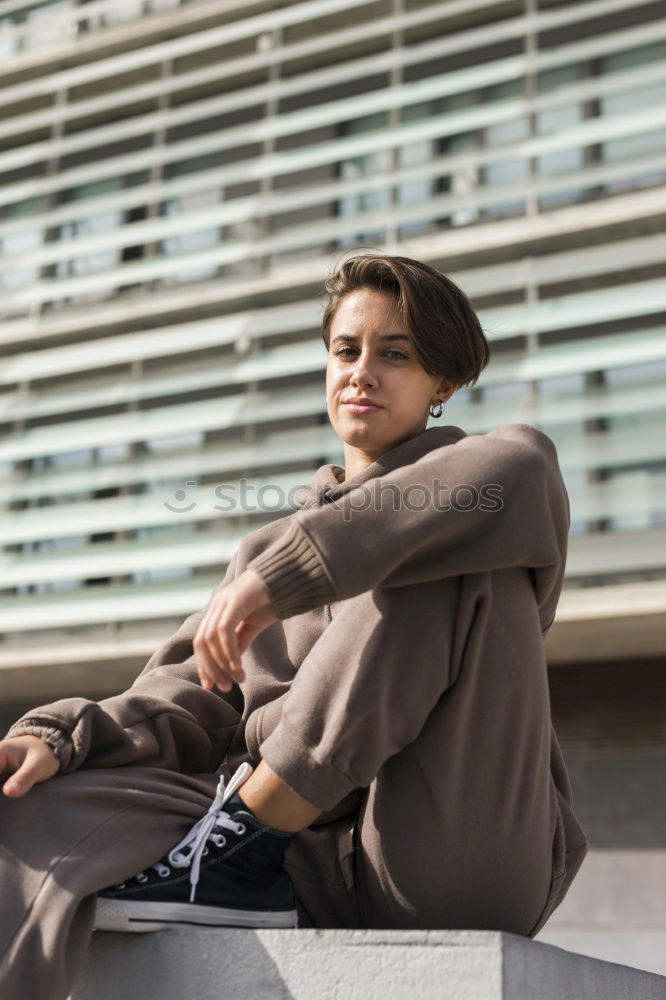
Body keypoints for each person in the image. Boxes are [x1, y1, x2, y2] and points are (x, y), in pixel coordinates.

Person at [0, 253, 588, 1000]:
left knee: (431, 551)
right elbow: (188, 694)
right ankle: (226, 854)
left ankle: (243, 834)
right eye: (346, 351)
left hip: (447, 855)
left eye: (395, 355)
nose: (361, 372)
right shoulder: (263, 548)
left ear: (443, 384)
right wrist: (55, 737)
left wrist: (283, 580)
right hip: (300, 874)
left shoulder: (498, 494)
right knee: (29, 800)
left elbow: (521, 464)